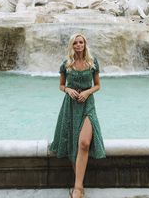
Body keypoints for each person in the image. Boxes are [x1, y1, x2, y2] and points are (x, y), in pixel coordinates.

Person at [50, 33, 106, 198]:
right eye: (75, 43)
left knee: (83, 142)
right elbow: (61, 85)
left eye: (81, 42)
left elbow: (98, 86)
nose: (78, 45)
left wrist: (87, 92)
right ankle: (78, 188)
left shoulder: (92, 62)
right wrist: (68, 89)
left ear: (85, 44)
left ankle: (77, 187)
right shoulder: (66, 64)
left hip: (88, 105)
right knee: (74, 143)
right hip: (70, 106)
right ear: (72, 45)